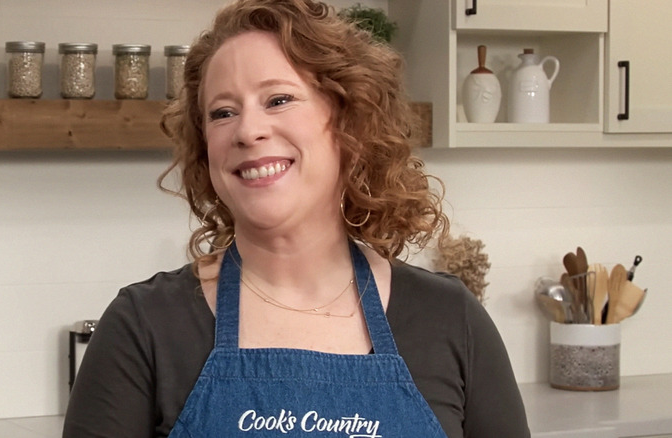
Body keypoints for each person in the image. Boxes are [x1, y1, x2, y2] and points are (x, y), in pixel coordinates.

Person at [63, 0, 530, 436]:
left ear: (349, 120)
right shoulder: (142, 328)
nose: (248, 130)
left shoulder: (449, 320)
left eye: (278, 99)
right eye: (223, 112)